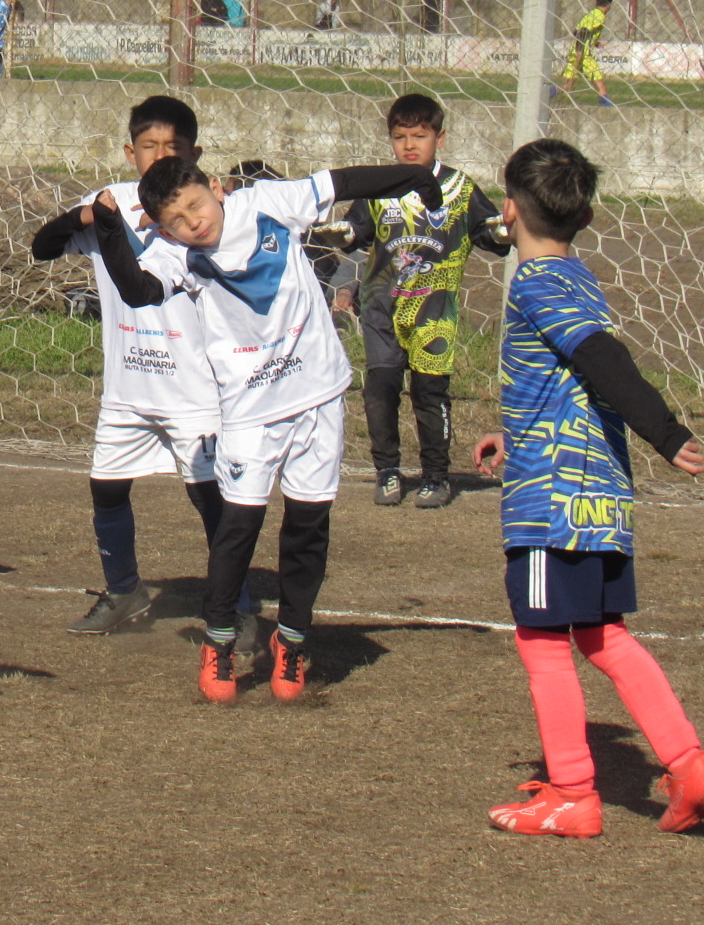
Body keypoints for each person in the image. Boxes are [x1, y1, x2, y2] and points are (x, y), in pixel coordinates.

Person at [89, 154, 441, 703]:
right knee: (238, 528)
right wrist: (112, 231)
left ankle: (292, 639)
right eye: (176, 219)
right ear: (163, 227)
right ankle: (219, 641)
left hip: (317, 394)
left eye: (196, 205)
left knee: (308, 523)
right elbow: (138, 290)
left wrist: (415, 179)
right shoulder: (174, 253)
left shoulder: (269, 204)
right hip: (250, 412)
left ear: (216, 188)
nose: (193, 222)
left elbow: (345, 181)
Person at [472, 138, 704, 839]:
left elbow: (603, 360)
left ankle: (571, 793)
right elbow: (572, 379)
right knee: (603, 635)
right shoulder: (581, 278)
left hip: (550, 505)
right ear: (583, 217)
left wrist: (666, 433)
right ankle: (690, 764)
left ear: (509, 210)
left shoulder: (534, 283)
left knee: (542, 641)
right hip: (602, 495)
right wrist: (514, 433)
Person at [27, 96, 254, 641]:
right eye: (149, 146)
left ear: (195, 155)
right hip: (127, 388)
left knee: (211, 499)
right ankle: (125, 590)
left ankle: (238, 609)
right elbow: (42, 247)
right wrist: (86, 215)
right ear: (130, 153)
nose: (161, 156)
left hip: (194, 390)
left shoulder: (205, 213)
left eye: (173, 147)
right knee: (106, 488)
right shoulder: (113, 201)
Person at [334, 93, 510, 510]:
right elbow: (356, 231)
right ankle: (387, 472)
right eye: (400, 137)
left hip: (434, 314)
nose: (409, 145)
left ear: (439, 138)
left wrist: (501, 231)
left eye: (419, 136)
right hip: (381, 312)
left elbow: (490, 234)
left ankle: (436, 476)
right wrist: (342, 233)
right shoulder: (378, 188)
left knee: (430, 394)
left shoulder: (459, 189)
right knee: (380, 391)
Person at [558, 0, 614, 106]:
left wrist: (594, 42)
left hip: (576, 52)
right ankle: (608, 107)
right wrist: (580, 51)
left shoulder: (591, 13)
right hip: (583, 54)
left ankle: (544, 94)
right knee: (600, 83)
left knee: (567, 86)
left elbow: (576, 31)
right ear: (609, 5)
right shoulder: (599, 16)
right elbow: (583, 32)